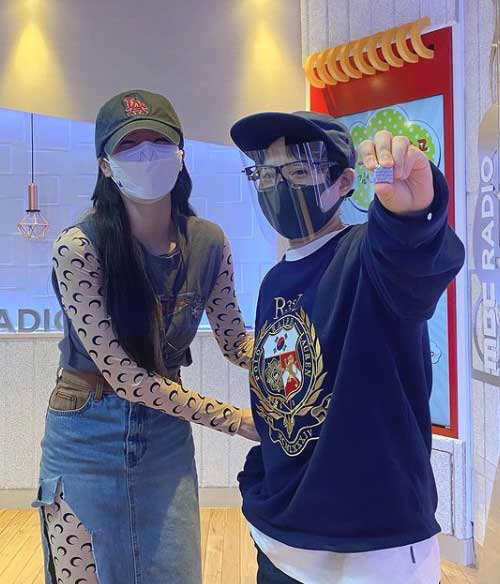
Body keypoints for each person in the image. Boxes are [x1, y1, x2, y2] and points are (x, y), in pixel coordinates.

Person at [33, 89, 258, 584]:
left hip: (164, 441)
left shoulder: (209, 243)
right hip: (84, 436)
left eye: (158, 141)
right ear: (105, 166)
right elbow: (125, 377)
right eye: (129, 146)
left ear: (181, 155)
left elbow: (236, 342)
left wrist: (299, 352)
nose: (146, 155)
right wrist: (237, 420)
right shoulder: (78, 247)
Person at [230, 110, 465, 584]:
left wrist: (413, 213)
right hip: (279, 545)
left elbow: (412, 256)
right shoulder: (274, 280)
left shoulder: (366, 255)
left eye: (299, 170)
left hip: (371, 557)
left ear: (344, 183)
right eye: (267, 174)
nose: (279, 186)